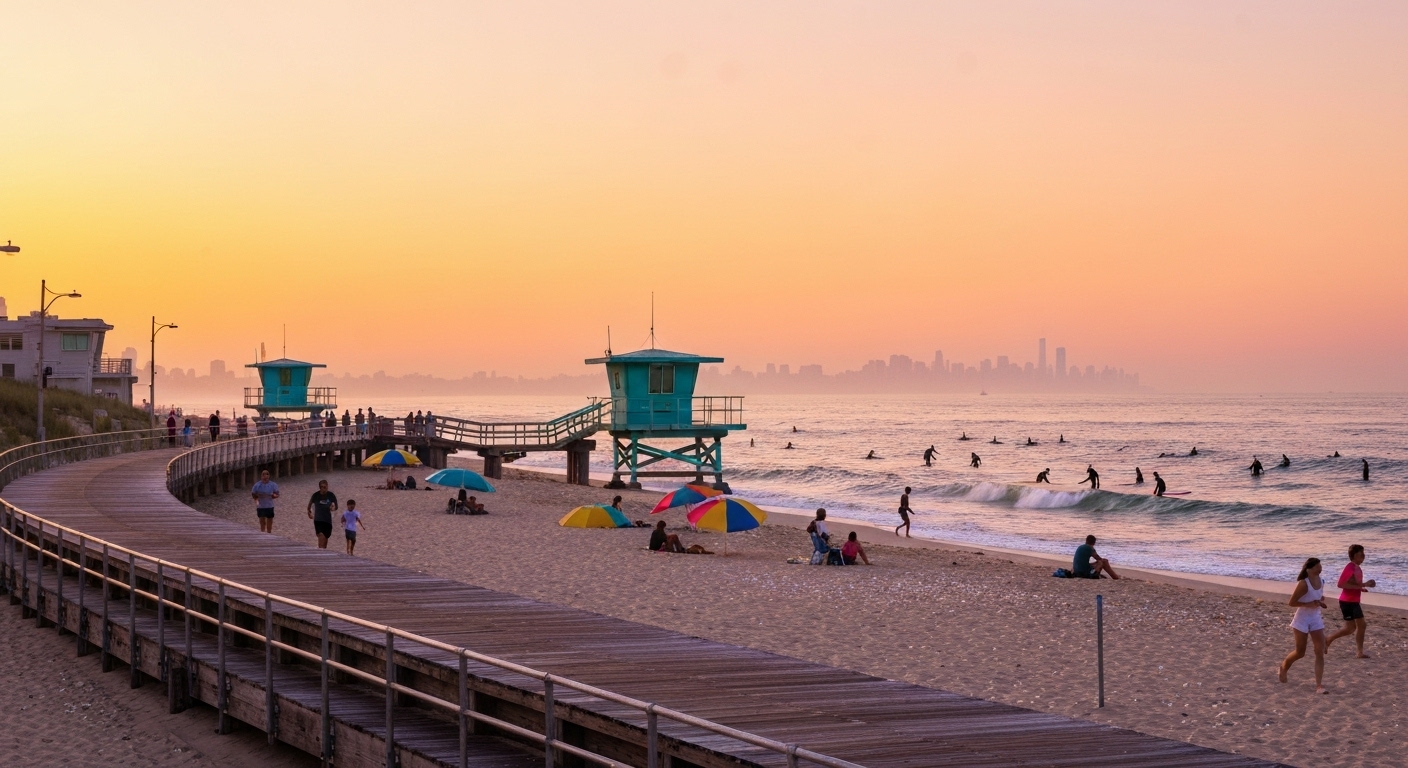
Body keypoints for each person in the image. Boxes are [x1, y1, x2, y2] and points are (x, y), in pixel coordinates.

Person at [1279, 557, 1329, 694]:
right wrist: (1308, 604)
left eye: (1321, 565)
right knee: (1300, 652)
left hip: (1316, 618)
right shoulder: (1303, 584)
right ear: (1310, 569)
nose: (1321, 568)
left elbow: (1317, 597)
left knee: (1319, 650)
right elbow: (1292, 602)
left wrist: (1319, 601)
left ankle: (1319, 685)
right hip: (1302, 619)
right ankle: (1284, 666)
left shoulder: (1322, 581)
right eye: (1318, 566)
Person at [1326, 545, 1376, 658]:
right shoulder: (1350, 567)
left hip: (1352, 601)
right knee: (1361, 625)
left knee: (1350, 628)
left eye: (1364, 554)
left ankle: (1329, 639)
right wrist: (1364, 584)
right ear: (1354, 556)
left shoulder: (1357, 568)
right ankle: (1359, 652)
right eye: (1361, 554)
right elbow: (1341, 584)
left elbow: (1353, 584)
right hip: (1347, 601)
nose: (1363, 556)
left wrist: (1362, 588)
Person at [307, 479, 339, 550]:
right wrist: (309, 513)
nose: (323, 488)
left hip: (327, 521)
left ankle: (322, 555)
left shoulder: (331, 495)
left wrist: (332, 508)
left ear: (327, 486)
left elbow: (336, 507)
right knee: (321, 542)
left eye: (325, 487)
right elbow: (309, 506)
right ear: (319, 487)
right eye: (322, 487)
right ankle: (319, 556)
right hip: (318, 520)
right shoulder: (315, 495)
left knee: (325, 544)